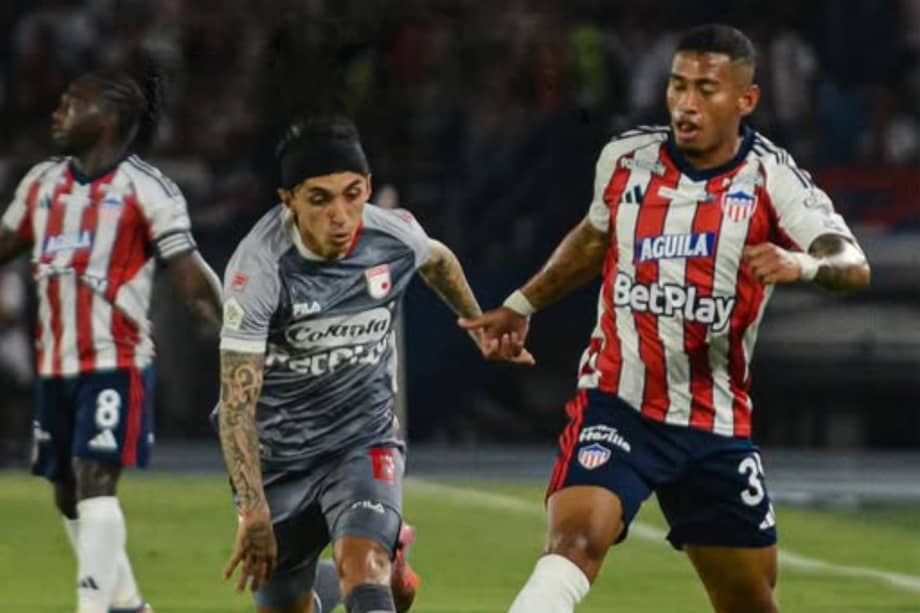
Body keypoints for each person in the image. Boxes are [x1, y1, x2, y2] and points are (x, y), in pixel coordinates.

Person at [461, 24, 870, 613]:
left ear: (745, 100)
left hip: (714, 423)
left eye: (707, 89)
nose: (686, 103)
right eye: (678, 86)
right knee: (576, 542)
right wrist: (522, 303)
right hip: (618, 400)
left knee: (748, 600)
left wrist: (801, 264)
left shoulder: (771, 180)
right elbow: (594, 237)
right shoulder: (626, 160)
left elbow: (851, 263)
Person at [216, 114, 532, 613]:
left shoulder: (391, 234)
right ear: (289, 201)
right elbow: (237, 406)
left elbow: (438, 260)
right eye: (320, 198)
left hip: (361, 441)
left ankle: (380, 555)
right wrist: (253, 512)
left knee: (364, 574)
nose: (341, 215)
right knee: (286, 601)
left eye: (353, 193)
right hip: (281, 459)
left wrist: (477, 324)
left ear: (366, 187)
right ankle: (387, 556)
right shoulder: (257, 272)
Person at [0, 67, 223, 613]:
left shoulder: (145, 189)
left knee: (96, 477)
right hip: (56, 364)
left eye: (73, 103)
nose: (58, 112)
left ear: (110, 119)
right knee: (67, 491)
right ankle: (130, 605)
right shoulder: (41, 184)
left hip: (115, 359)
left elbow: (191, 277)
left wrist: (237, 336)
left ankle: (92, 609)